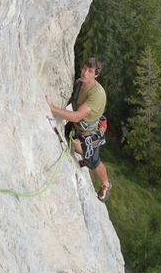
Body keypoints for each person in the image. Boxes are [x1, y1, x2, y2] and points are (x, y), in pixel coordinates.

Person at [46, 58, 112, 203]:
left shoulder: (97, 94)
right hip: (79, 127)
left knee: (92, 161)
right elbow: (72, 100)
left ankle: (106, 184)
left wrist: (53, 108)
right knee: (76, 148)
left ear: (96, 75)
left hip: (87, 131)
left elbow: (76, 116)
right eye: (84, 68)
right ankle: (83, 156)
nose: (85, 73)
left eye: (90, 71)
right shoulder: (79, 83)